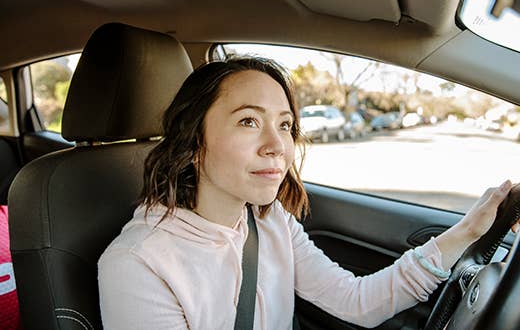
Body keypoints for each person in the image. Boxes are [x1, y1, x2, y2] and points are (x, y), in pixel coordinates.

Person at [98, 56, 518, 330]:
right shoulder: (138, 264)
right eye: (248, 121)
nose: (277, 145)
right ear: (193, 144)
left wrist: (465, 232)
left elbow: (357, 301)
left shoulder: (269, 219)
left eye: (284, 125)